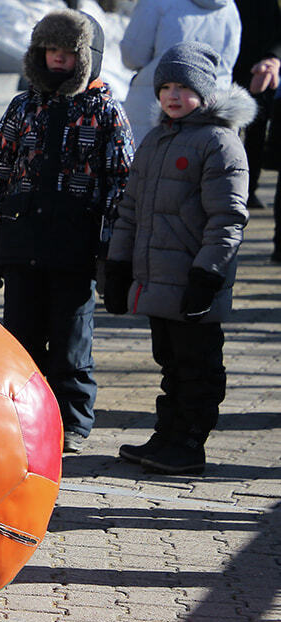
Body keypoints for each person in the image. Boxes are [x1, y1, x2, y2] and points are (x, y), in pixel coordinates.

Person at [0, 9, 134, 455]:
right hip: (22, 244)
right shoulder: (23, 106)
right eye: (51, 51)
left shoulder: (106, 111)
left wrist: (110, 254)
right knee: (21, 339)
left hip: (75, 250)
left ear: (88, 57)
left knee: (71, 343)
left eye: (68, 53)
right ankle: (20, 416)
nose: (58, 60)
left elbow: (121, 186)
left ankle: (72, 423)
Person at [103, 42, 253, 475]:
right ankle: (166, 434)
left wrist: (208, 273)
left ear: (205, 92)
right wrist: (118, 266)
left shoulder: (219, 143)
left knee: (198, 366)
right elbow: (130, 210)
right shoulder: (155, 140)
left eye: (183, 87)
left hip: (193, 280)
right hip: (157, 280)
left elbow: (227, 218)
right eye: (165, 85)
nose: (171, 95)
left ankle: (189, 442)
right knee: (170, 362)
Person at [119, 0, 241, 146]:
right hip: (211, 112)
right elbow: (228, 61)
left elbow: (133, 56)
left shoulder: (155, 2)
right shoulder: (230, 7)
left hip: (153, 108)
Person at [232, 0, 281, 208]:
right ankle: (230, 189)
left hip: (259, 71)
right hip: (230, 69)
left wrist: (271, 59)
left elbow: (276, 31)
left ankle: (249, 189)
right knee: (228, 134)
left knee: (255, 134)